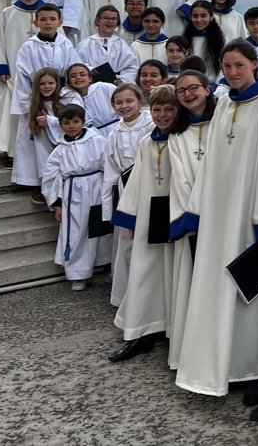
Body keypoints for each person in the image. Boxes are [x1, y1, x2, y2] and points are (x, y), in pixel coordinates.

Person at [175, 39, 258, 401]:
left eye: (239, 66)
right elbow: (211, 159)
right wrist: (197, 208)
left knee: (252, 295)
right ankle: (224, 365)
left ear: (255, 64)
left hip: (248, 216)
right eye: (227, 66)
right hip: (219, 215)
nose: (232, 73)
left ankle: (257, 369)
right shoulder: (225, 101)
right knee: (219, 292)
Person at [110, 84, 178, 360]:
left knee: (173, 274)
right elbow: (136, 181)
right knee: (145, 273)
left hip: (176, 216)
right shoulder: (147, 141)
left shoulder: (184, 139)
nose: (162, 115)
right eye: (158, 109)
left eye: (169, 109)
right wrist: (131, 218)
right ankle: (143, 331)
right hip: (150, 215)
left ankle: (172, 329)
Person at [167, 70, 217, 370]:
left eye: (193, 88)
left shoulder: (223, 123)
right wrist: (195, 212)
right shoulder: (177, 134)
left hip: (222, 216)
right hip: (195, 220)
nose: (188, 93)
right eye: (181, 90)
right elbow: (182, 180)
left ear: (207, 90)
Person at [41, 104, 111, 290]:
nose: (71, 126)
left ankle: (106, 264)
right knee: (76, 232)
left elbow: (108, 164)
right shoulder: (60, 149)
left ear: (82, 121)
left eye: (75, 121)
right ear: (61, 125)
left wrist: (110, 191)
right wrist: (56, 204)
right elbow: (50, 177)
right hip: (73, 194)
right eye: (66, 123)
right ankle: (79, 274)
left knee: (101, 229)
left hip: (97, 187)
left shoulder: (97, 140)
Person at [10, 4, 79, 189]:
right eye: (43, 19)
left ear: (60, 22)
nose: (48, 23)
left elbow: (73, 69)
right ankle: (36, 183)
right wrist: (29, 105)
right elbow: (22, 76)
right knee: (37, 146)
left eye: (52, 19)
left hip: (59, 99)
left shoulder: (65, 44)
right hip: (37, 99)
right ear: (36, 22)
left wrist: (70, 94)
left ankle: (61, 180)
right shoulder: (28, 47)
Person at [102, 82, 152, 309]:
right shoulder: (114, 133)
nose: (124, 106)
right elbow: (110, 171)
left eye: (129, 101)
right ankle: (127, 298)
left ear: (140, 101)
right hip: (126, 190)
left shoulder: (150, 124)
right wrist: (109, 208)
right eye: (119, 102)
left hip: (150, 186)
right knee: (127, 244)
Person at [0, 0, 45, 159]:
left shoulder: (47, 13)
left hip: (42, 76)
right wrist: (1, 68)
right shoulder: (8, 13)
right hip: (13, 74)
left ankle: (38, 154)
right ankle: (10, 152)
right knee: (10, 115)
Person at [18, 68, 79, 204]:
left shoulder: (68, 97)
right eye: (42, 84)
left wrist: (50, 120)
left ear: (57, 83)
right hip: (45, 142)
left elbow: (77, 121)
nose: (46, 87)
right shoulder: (33, 103)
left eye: (50, 83)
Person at [77, 6, 139, 83]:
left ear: (117, 23)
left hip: (116, 86)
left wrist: (123, 80)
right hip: (92, 85)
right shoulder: (85, 44)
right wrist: (89, 69)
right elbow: (77, 63)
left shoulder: (122, 44)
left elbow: (132, 67)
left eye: (113, 19)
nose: (110, 21)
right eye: (106, 18)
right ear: (98, 21)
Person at [64, 62, 119, 132]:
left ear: (90, 78)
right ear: (69, 82)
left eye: (82, 74)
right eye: (73, 76)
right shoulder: (73, 100)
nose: (78, 77)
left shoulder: (105, 87)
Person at [183, 0, 226, 78]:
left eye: (203, 16)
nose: (199, 20)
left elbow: (224, 65)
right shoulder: (185, 39)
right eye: (195, 16)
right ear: (191, 17)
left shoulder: (222, 39)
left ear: (211, 17)